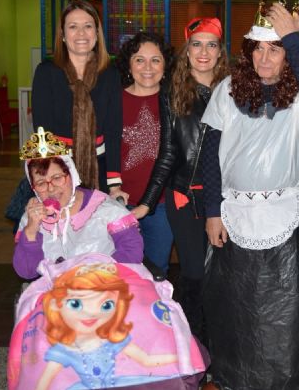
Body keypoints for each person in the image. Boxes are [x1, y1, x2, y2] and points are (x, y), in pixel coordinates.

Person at [200, 0, 299, 389]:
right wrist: (212, 211)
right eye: (258, 47)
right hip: (234, 213)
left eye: (275, 48)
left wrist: (294, 38)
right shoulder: (226, 89)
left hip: (285, 215)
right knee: (234, 310)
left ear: (287, 54)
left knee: (289, 315)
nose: (265, 57)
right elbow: (210, 155)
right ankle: (232, 378)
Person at [138, 17, 229, 342]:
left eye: (211, 44)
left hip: (227, 200)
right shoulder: (172, 93)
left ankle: (220, 350)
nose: (203, 51)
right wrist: (146, 203)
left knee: (221, 277)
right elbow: (167, 153)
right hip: (186, 199)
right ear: (187, 51)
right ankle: (194, 351)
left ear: (220, 52)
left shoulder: (233, 91)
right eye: (196, 44)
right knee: (193, 274)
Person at [13, 127, 143, 280]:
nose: (51, 188)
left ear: (71, 175)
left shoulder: (104, 209)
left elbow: (132, 251)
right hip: (53, 294)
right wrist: (31, 230)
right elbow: (26, 272)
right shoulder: (31, 218)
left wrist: (99, 277)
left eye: (57, 178)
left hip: (102, 289)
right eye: (41, 183)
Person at [36, 263, 178, 389]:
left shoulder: (112, 340)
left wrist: (180, 357)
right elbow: (43, 383)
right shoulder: (64, 350)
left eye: (106, 305)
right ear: (56, 304)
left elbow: (147, 360)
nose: (91, 313)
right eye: (75, 304)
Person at [31, 0, 122, 193]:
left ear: (97, 34)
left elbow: (114, 131)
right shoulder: (47, 72)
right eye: (73, 27)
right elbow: (42, 133)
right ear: (62, 35)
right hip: (58, 170)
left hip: (99, 168)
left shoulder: (110, 74)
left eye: (88, 26)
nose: (81, 33)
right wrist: (50, 178)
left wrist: (114, 183)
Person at [115, 32, 175, 273]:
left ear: (165, 65)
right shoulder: (114, 100)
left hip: (162, 206)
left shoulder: (176, 101)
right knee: (122, 272)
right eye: (140, 60)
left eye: (155, 60)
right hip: (120, 202)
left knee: (157, 271)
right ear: (129, 65)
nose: (147, 67)